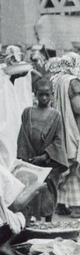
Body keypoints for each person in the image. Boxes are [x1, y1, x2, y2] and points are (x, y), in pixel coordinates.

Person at [17, 79, 68, 221]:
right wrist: (26, 156)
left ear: (52, 94)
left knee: (49, 190)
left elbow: (58, 140)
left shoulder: (55, 115)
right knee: (31, 190)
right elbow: (23, 136)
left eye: (47, 94)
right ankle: (33, 220)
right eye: (41, 95)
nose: (44, 98)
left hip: (49, 161)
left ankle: (49, 221)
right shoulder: (28, 112)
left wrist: (45, 157)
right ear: (35, 95)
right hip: (31, 160)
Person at [53, 53, 80, 217]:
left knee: (65, 165)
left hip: (62, 126)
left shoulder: (58, 79)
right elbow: (78, 107)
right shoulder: (73, 81)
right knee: (76, 165)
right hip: (74, 126)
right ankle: (77, 206)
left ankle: (61, 203)